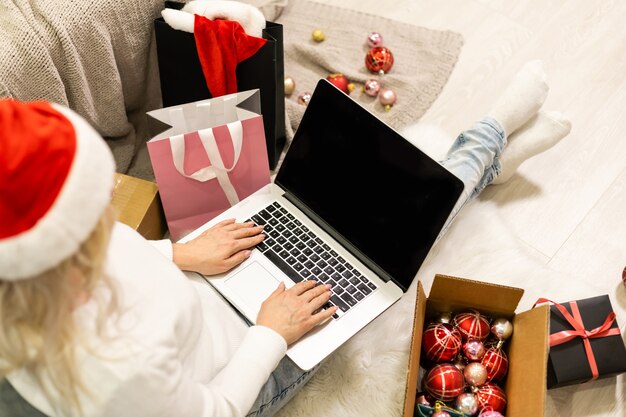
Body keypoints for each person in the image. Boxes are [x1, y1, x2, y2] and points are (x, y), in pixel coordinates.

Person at [0, 61, 570, 417]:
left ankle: (482, 169)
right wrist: (270, 333)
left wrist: (176, 252)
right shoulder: (112, 377)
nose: (109, 217)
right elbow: (217, 409)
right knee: (403, 236)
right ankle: (485, 146)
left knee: (358, 213)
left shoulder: (45, 277)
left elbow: (124, 254)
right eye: (96, 219)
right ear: (63, 266)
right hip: (240, 375)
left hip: (205, 300)